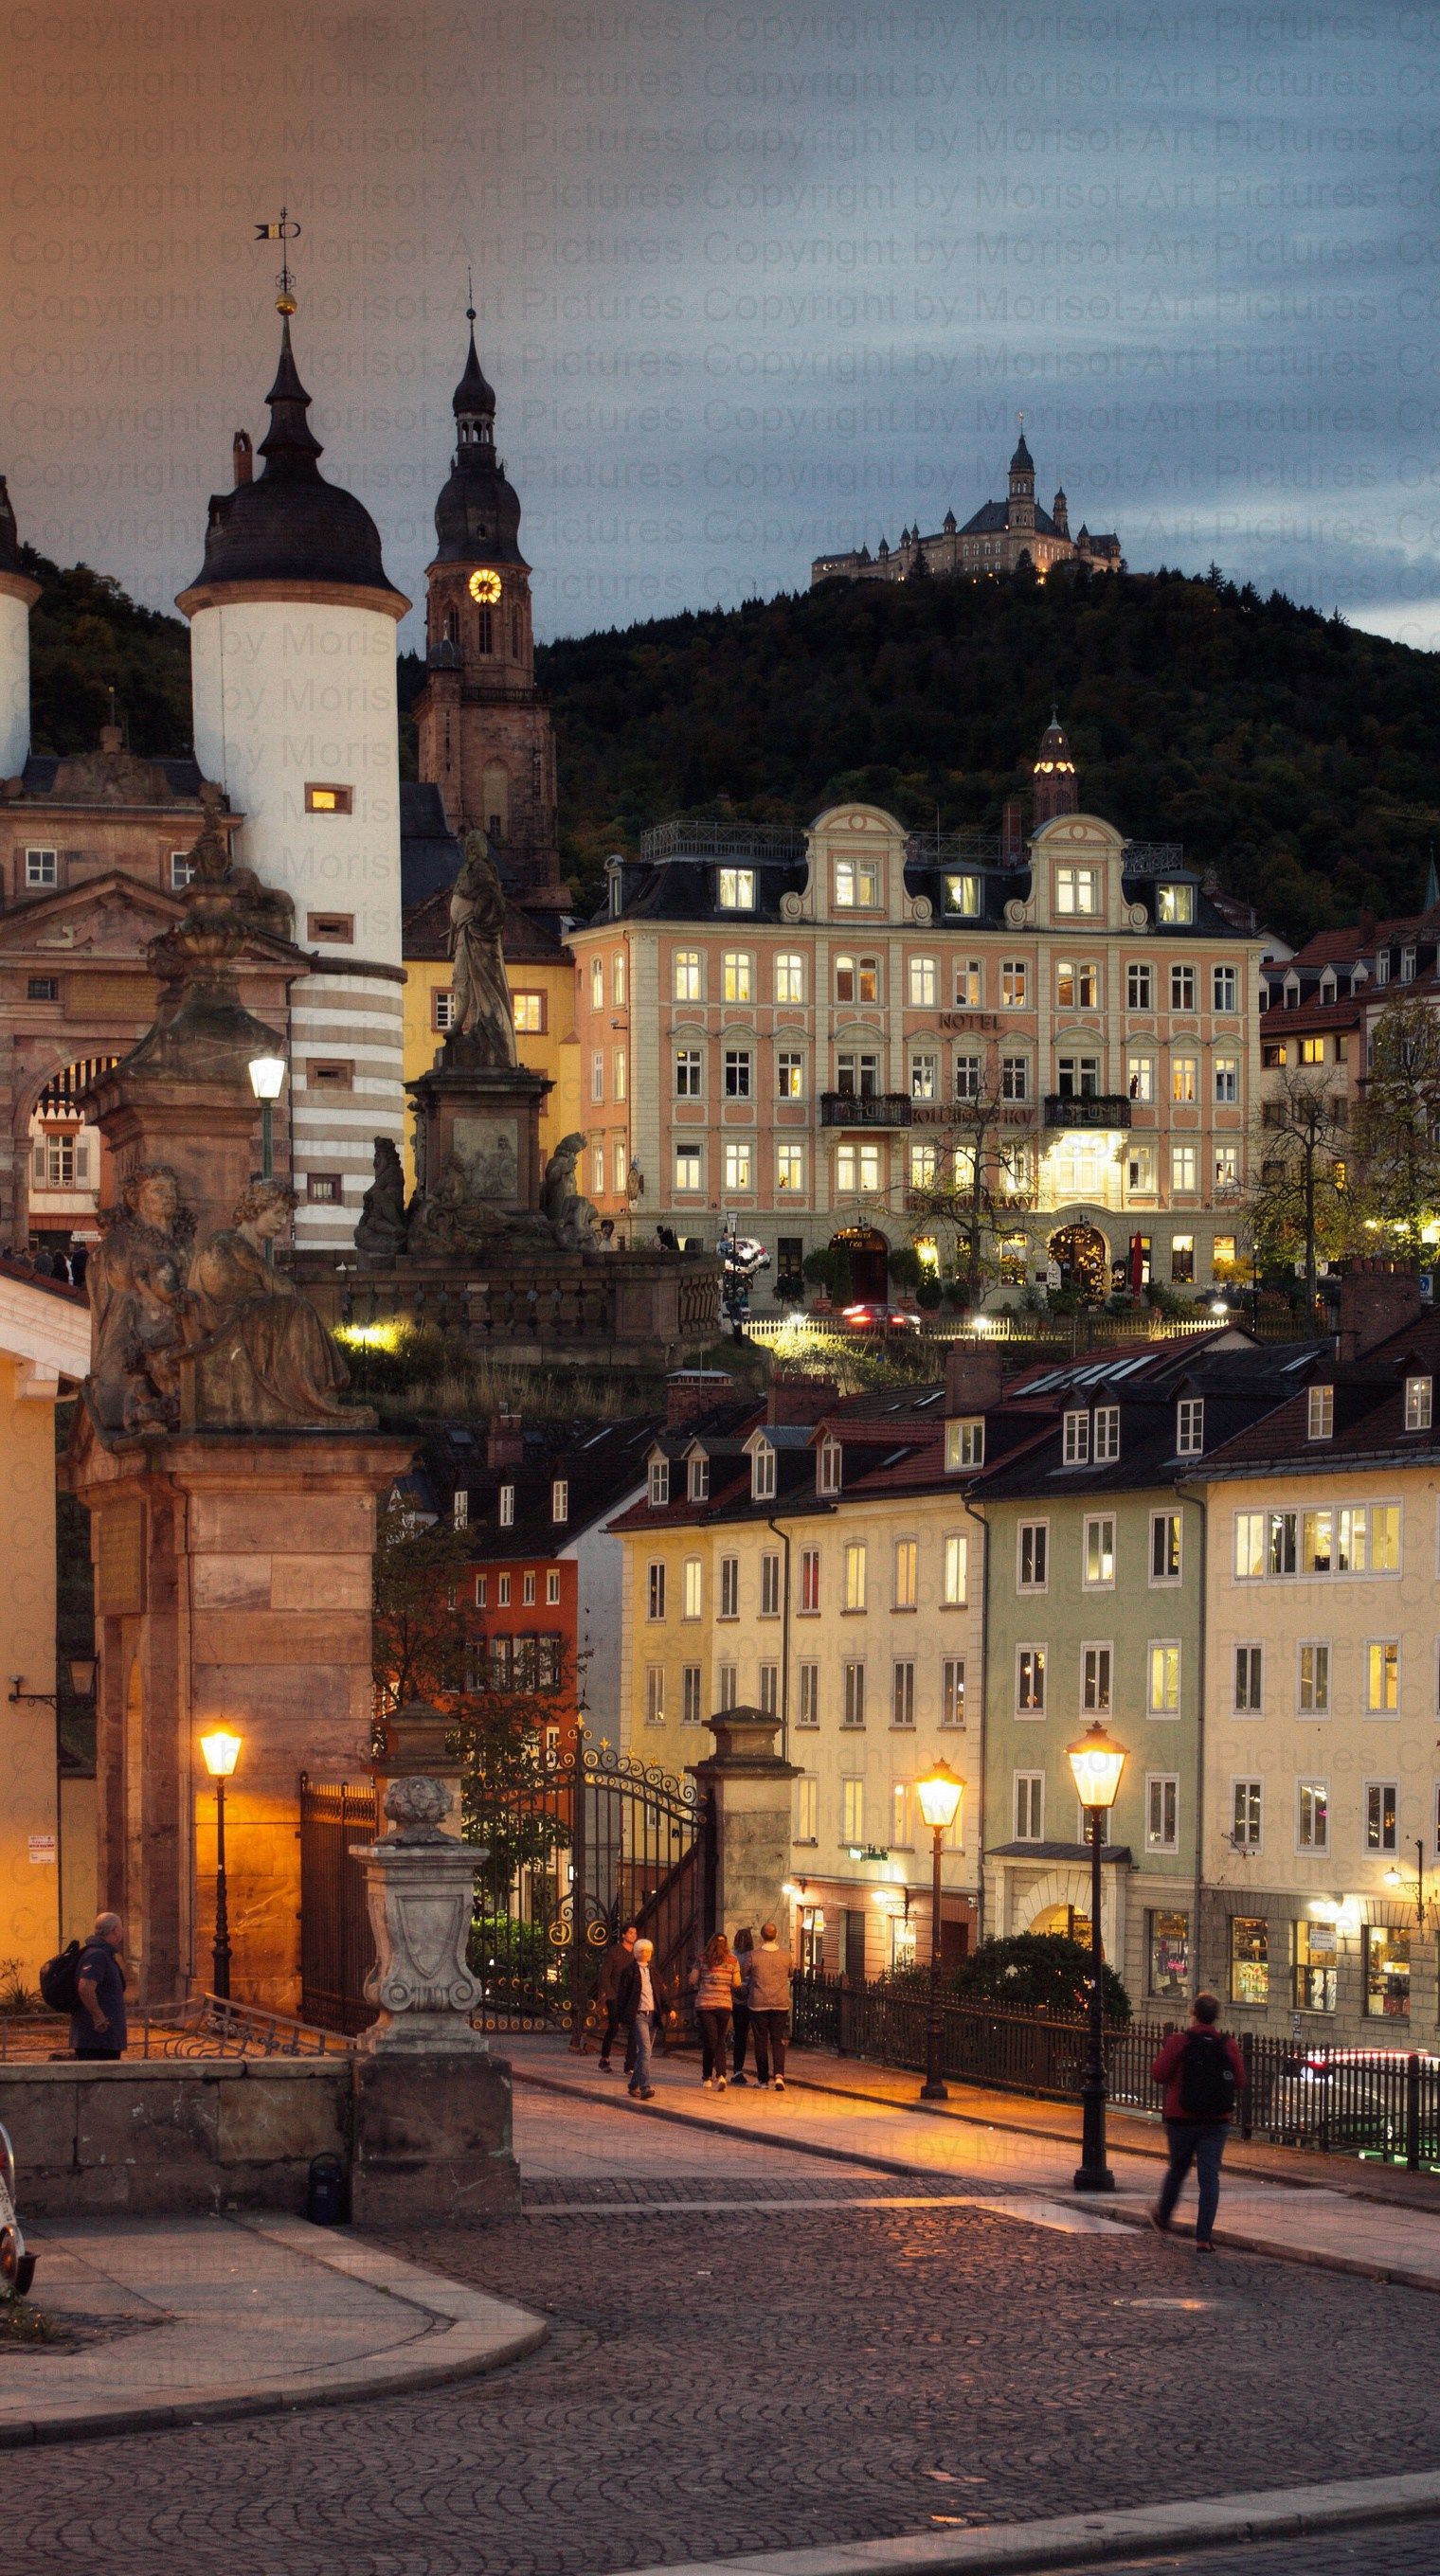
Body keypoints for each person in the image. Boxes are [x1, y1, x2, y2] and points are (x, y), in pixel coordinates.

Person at [1148, 1992, 1247, 2251]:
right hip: (1216, 2120)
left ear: (1193, 2013)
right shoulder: (1227, 2043)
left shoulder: (1179, 2041)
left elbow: (1158, 2074)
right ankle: (1204, 2237)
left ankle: (1163, 2217)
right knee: (1209, 2177)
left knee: (1178, 2170)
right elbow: (1239, 2080)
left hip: (1181, 2117)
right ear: (1217, 2016)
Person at [614, 1937, 666, 2100]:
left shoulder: (653, 1971)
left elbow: (660, 1992)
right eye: (647, 1951)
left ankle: (633, 2085)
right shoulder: (629, 1971)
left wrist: (669, 2008)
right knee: (645, 2050)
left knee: (645, 2054)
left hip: (653, 2014)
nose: (650, 1954)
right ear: (641, 1953)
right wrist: (620, 2017)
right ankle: (645, 2087)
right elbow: (622, 1996)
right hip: (638, 2015)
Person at [71, 1911, 128, 2061]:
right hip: (97, 2040)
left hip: (102, 2040)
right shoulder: (98, 1955)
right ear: (115, 1931)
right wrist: (99, 2017)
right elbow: (85, 1987)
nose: (122, 1932)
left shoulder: (104, 1954)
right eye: (121, 1928)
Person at [744, 1921, 792, 2091]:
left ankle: (763, 2079)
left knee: (761, 2041)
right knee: (778, 2040)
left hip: (759, 2003)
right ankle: (779, 2076)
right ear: (776, 1935)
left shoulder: (753, 1955)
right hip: (780, 2003)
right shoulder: (786, 1955)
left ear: (761, 1936)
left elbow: (745, 1973)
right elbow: (790, 1973)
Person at [689, 1931, 741, 2090]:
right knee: (720, 2039)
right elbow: (737, 1983)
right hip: (724, 2004)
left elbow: (692, 1980)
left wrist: (702, 1984)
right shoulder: (733, 1960)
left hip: (705, 2005)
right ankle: (721, 2075)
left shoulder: (702, 1959)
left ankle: (707, 2076)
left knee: (710, 2041)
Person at [596, 1922, 638, 2072]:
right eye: (631, 1933)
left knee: (634, 2029)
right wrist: (610, 1994)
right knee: (613, 2027)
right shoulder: (614, 1952)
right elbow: (605, 1975)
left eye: (635, 1933)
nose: (633, 1936)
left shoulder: (636, 1953)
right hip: (615, 1995)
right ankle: (604, 2059)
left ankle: (630, 2064)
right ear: (624, 1935)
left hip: (630, 1997)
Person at [730, 1926, 755, 2083]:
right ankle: (737, 2069)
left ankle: (735, 2069)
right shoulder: (751, 1956)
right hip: (746, 1999)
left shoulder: (731, 1956)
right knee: (742, 2035)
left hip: (732, 1997)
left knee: (737, 2034)